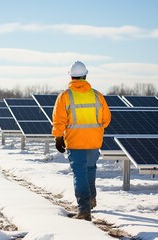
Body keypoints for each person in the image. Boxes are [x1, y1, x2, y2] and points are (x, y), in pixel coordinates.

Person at [52, 61, 111, 221]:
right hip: (94, 141)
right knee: (90, 169)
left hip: (75, 142)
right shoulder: (96, 95)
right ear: (85, 75)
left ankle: (84, 210)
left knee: (80, 174)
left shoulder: (65, 96)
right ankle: (91, 200)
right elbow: (106, 119)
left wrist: (58, 137)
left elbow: (59, 120)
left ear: (71, 76)